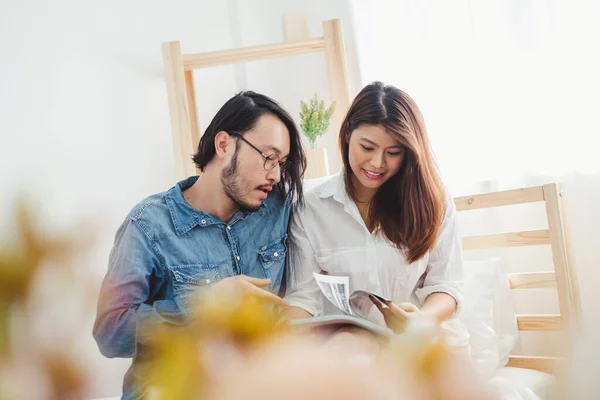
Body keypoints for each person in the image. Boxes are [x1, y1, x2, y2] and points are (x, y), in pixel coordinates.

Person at [93, 90, 306, 400]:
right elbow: (109, 334)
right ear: (223, 144)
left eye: (281, 163)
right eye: (268, 157)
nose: (275, 174)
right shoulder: (148, 225)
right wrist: (204, 305)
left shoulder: (278, 208)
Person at [283, 82, 468, 349]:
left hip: (423, 347)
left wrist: (421, 320)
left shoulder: (433, 200)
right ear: (347, 134)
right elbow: (304, 298)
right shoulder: (311, 209)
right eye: (367, 147)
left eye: (393, 153)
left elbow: (447, 285)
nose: (377, 163)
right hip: (354, 350)